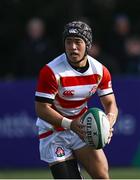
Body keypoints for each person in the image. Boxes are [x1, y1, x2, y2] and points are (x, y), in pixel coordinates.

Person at [35, 20, 118, 179]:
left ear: (88, 44)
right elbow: (41, 108)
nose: (73, 47)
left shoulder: (100, 71)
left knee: (102, 176)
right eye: (69, 42)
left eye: (78, 42)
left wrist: (109, 122)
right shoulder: (51, 71)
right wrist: (69, 124)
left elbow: (110, 103)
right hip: (54, 133)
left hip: (81, 128)